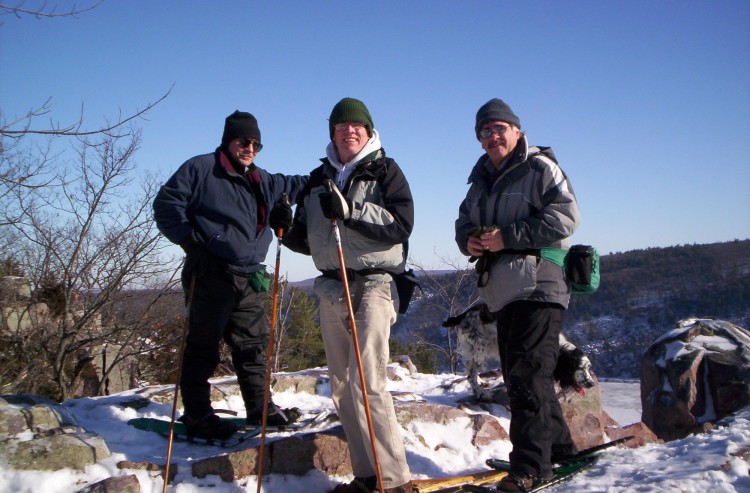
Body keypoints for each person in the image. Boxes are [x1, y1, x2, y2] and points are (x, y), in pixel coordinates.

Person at [282, 98, 416, 493]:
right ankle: (367, 473)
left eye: (357, 126)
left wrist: (351, 209)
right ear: (333, 134)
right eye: (342, 127)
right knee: (341, 383)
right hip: (331, 286)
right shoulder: (317, 178)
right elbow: (312, 240)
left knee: (368, 381)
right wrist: (285, 230)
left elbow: (400, 224)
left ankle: (395, 481)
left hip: (375, 283)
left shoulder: (386, 171)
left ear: (369, 131)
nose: (349, 131)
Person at [153, 110, 308, 440]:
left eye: (255, 143)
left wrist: (331, 170)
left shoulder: (262, 179)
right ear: (228, 141)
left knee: (252, 346)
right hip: (211, 273)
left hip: (249, 277)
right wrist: (193, 243)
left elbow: (297, 184)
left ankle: (260, 408)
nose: (249, 147)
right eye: (243, 141)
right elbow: (166, 205)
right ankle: (197, 416)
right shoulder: (201, 169)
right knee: (203, 348)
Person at [455, 99, 581, 492]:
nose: (493, 136)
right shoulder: (479, 182)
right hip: (502, 293)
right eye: (485, 132)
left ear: (516, 130)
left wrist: (508, 237)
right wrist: (470, 241)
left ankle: (530, 466)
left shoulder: (540, 167)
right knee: (523, 375)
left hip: (541, 284)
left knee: (527, 375)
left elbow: (566, 216)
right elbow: (463, 223)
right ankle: (558, 447)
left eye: (499, 128)